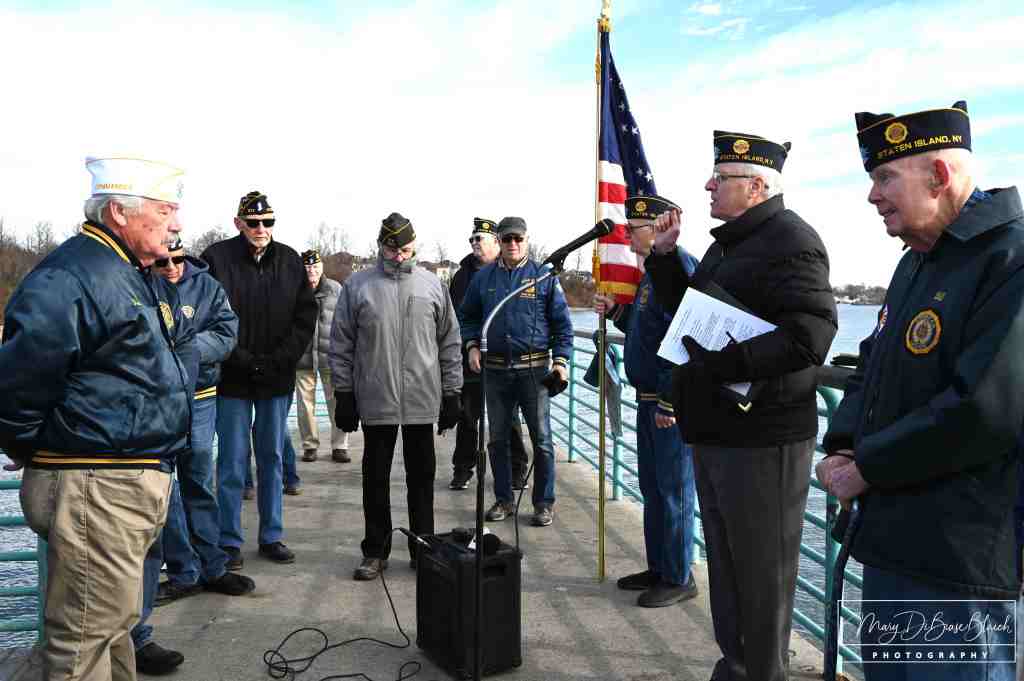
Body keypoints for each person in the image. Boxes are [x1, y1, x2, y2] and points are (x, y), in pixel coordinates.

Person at [818, 101, 1022, 681]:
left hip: (957, 564)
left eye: (885, 177)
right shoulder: (917, 262)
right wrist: (843, 445)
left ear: (938, 175)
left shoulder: (1011, 258)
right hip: (890, 541)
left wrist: (869, 467)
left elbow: (985, 409)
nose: (872, 195)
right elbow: (871, 366)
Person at [647, 132, 837, 681]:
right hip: (718, 430)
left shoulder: (792, 240)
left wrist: (721, 364)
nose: (709, 185)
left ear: (756, 187)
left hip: (763, 438)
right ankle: (735, 668)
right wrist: (665, 258)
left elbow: (811, 337)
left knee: (761, 577)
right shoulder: (729, 244)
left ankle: (762, 673)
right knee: (729, 573)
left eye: (721, 177)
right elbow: (693, 312)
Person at [0, 156, 190, 680]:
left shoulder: (121, 271)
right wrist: (38, 450)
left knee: (112, 627)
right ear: (118, 212)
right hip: (95, 485)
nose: (176, 223)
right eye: (164, 210)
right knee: (83, 639)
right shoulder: (72, 277)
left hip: (117, 479)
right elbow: (18, 383)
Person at [329, 212, 462, 581]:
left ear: (414, 245)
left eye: (404, 249)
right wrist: (344, 392)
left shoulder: (433, 285)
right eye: (391, 249)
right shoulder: (358, 286)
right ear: (380, 246)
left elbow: (450, 342)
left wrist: (452, 391)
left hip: (422, 397)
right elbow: (340, 343)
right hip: (376, 396)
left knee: (422, 478)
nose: (399, 255)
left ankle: (424, 548)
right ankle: (375, 550)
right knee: (375, 478)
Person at [593, 194, 700, 608]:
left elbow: (686, 338)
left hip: (667, 404)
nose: (626, 236)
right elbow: (649, 329)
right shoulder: (650, 275)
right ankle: (660, 567)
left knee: (674, 491)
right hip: (647, 399)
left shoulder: (677, 268)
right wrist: (616, 313)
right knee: (652, 489)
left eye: (633, 229)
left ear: (657, 229)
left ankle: (679, 576)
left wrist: (671, 400)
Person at [202, 190, 317, 567]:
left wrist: (279, 360)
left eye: (268, 222)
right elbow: (206, 318)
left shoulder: (290, 261)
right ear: (238, 223)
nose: (261, 229)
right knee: (232, 463)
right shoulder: (216, 259)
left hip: (276, 377)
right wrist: (242, 360)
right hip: (232, 378)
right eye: (253, 223)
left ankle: (271, 535)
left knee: (272, 458)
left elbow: (305, 318)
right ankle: (229, 540)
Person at [459, 216, 574, 528]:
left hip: (534, 371)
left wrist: (561, 362)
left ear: (526, 240)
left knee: (543, 440)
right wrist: (471, 345)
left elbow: (563, 327)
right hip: (495, 372)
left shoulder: (543, 276)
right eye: (507, 238)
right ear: (499, 241)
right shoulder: (483, 278)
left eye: (518, 239)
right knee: (497, 440)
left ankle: (543, 503)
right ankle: (504, 499)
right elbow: (467, 316)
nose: (512, 244)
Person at [448, 217, 530, 491]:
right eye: (471, 239)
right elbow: (457, 317)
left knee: (509, 418)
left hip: (504, 359)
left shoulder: (512, 272)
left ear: (496, 242)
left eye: (479, 239)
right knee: (468, 417)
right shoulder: (462, 276)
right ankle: (463, 469)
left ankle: (516, 470)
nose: (474, 244)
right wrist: (467, 346)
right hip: (470, 358)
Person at [295, 249, 350, 464]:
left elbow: (346, 322)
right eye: (308, 267)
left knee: (336, 402)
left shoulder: (336, 289)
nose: (312, 271)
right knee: (305, 405)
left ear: (322, 268)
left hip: (331, 356)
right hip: (303, 357)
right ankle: (309, 445)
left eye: (315, 267)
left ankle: (340, 445)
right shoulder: (294, 290)